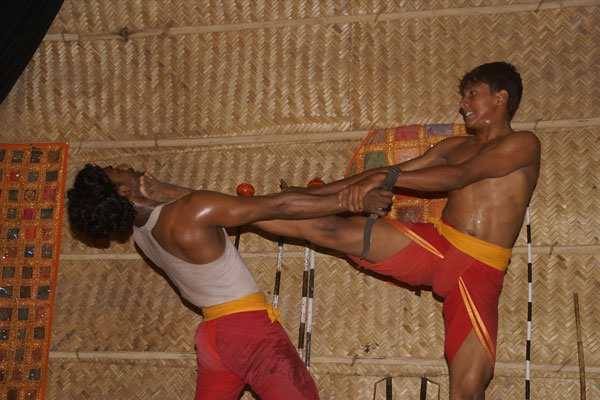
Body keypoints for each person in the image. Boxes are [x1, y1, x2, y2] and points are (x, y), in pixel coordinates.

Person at [134, 61, 539, 399]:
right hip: (437, 244)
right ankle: (187, 198)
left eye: (472, 94)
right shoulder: (453, 143)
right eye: (464, 96)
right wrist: (316, 191)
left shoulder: (523, 143)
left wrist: (389, 180)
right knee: (323, 226)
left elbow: (458, 176)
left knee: (467, 387)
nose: (463, 104)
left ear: (500, 97)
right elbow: (383, 173)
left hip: (479, 269)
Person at [66, 163, 393, 400]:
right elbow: (278, 206)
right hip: (247, 331)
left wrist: (163, 188)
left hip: (211, 339)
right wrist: (351, 202)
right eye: (116, 171)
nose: (124, 165)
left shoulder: (142, 236)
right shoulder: (192, 210)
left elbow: (193, 208)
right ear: (124, 191)